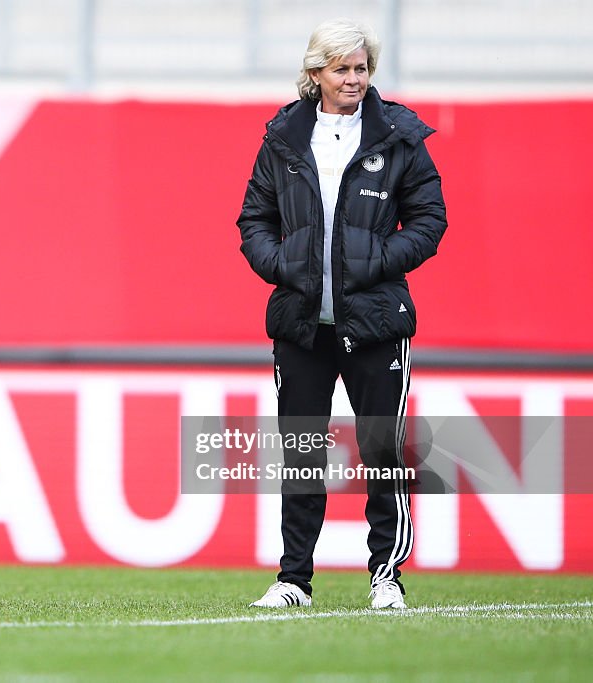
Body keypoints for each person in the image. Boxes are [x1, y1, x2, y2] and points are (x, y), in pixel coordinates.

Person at [235, 18, 447, 609]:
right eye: (342, 69)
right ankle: (294, 580)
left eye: (361, 69)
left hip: (375, 321)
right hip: (301, 324)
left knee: (383, 449)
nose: (354, 79)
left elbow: (430, 220)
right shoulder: (281, 136)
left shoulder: (399, 133)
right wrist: (284, 265)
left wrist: (376, 260)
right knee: (301, 452)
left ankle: (386, 577)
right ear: (315, 74)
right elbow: (254, 220)